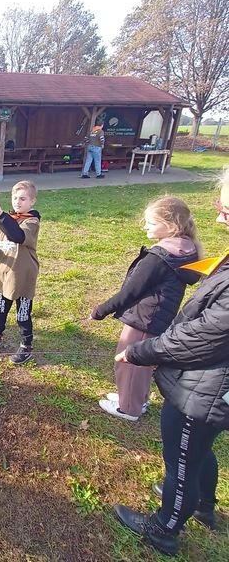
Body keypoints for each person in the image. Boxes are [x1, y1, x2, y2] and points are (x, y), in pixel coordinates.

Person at [113, 248, 229, 557]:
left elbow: (201, 336)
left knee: (181, 464)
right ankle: (203, 505)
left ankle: (164, 529)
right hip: (210, 384)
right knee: (197, 450)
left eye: (225, 210)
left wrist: (140, 352)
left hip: (206, 386)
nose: (219, 218)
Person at [90, 196, 200, 421]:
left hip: (145, 318)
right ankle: (134, 397)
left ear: (169, 226)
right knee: (143, 361)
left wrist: (100, 310)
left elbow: (130, 292)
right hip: (157, 317)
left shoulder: (158, 258)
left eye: (151, 222)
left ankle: (129, 407)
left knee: (130, 361)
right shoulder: (184, 248)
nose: (146, 226)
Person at [0, 181, 40, 364]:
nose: (18, 202)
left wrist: (0, 215)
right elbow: (2, 239)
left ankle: (26, 345)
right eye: (15, 198)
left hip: (23, 276)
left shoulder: (32, 221)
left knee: (22, 314)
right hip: (6, 271)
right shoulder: (10, 218)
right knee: (0, 308)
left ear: (32, 201)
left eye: (23, 199)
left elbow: (18, 236)